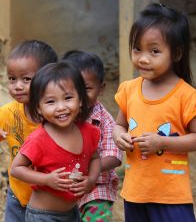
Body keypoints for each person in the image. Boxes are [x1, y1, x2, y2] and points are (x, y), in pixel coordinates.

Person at [113, 3, 196, 222]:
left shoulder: (186, 96)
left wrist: (162, 143)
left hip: (170, 195)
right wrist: (120, 137)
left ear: (176, 53)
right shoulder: (129, 89)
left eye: (154, 51)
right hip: (135, 192)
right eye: (137, 49)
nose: (143, 58)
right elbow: (119, 125)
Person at [10, 61, 101, 222]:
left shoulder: (88, 131)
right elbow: (16, 169)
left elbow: (94, 157)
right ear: (38, 107)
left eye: (68, 98)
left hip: (73, 212)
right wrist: (46, 180)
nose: (61, 107)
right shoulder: (39, 139)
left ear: (80, 100)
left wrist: (91, 180)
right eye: (51, 102)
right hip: (43, 216)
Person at [0, 40, 58, 222]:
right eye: (12, 79)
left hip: (49, 201)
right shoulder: (8, 113)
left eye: (26, 79)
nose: (17, 86)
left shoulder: (57, 117)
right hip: (17, 195)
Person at [62, 50, 122, 222]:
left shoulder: (105, 120)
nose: (80, 96)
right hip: (64, 188)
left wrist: (88, 168)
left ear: (100, 89)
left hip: (97, 188)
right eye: (73, 89)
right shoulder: (59, 117)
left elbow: (114, 157)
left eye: (87, 88)